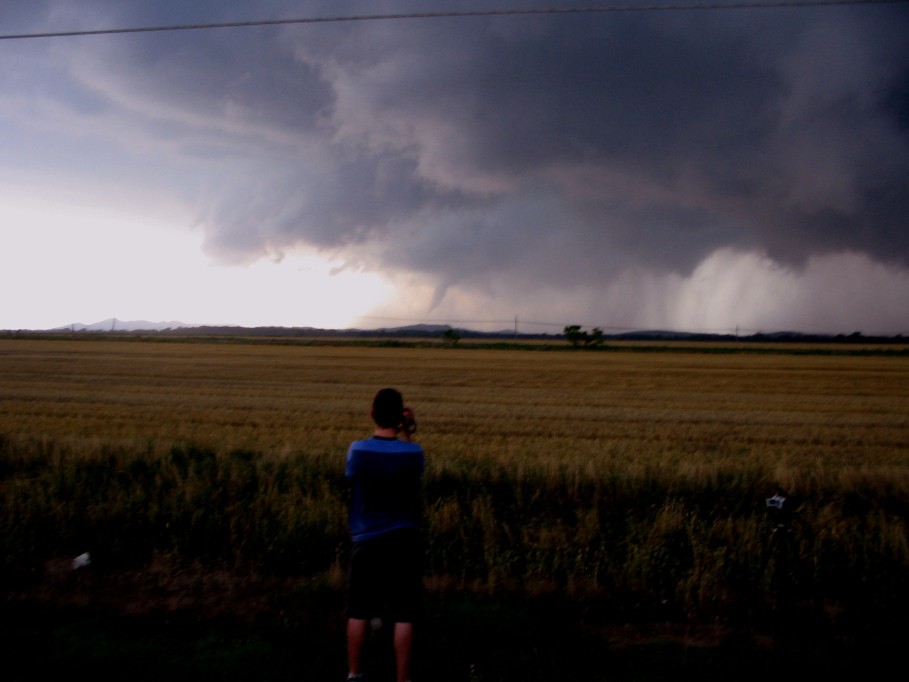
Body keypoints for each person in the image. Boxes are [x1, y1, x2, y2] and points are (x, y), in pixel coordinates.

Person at [345, 388, 425, 682]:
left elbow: (352, 477)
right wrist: (407, 431)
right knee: (405, 613)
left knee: (358, 611)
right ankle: (402, 678)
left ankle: (354, 674)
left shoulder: (357, 450)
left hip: (366, 540)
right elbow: (413, 466)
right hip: (404, 541)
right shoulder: (414, 453)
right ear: (400, 417)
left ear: (371, 414)